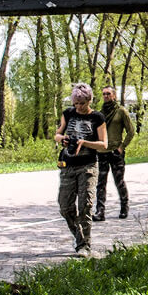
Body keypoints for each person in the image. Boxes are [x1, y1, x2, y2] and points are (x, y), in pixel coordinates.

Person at [52, 83, 108, 258]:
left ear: (89, 100)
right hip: (68, 165)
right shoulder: (68, 114)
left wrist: (84, 143)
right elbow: (57, 134)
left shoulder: (97, 118)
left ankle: (84, 245)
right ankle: (79, 237)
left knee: (85, 205)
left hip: (88, 166)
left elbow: (104, 144)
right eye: (76, 103)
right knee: (65, 206)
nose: (78, 107)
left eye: (82, 103)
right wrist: (64, 139)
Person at [93, 86, 135, 221]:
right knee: (100, 183)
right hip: (102, 152)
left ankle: (124, 206)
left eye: (108, 94)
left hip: (115, 152)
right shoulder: (100, 114)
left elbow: (131, 131)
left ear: (114, 96)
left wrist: (122, 147)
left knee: (119, 181)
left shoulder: (121, 111)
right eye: (104, 94)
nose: (106, 96)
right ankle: (100, 211)